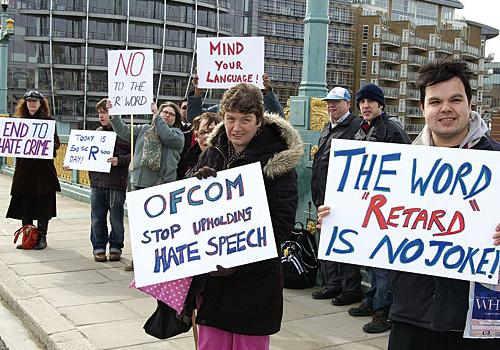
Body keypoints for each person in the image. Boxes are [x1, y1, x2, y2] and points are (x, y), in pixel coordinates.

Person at [386, 58, 500, 349]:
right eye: (435, 101)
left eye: (455, 99)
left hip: (478, 320)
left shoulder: (497, 162)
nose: (445, 108)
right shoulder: (399, 168)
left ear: (470, 104)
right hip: (412, 314)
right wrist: (342, 217)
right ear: (423, 108)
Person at [192, 83, 303, 349]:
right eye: (230, 119)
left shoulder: (278, 163)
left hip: (254, 282)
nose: (236, 128)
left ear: (259, 121)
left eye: (245, 120)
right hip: (213, 282)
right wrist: (195, 183)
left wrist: (238, 263)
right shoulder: (212, 152)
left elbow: (281, 224)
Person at [347, 83, 411, 334]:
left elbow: (406, 163)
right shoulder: (361, 130)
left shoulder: (391, 129)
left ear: (381, 105)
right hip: (368, 204)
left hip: (386, 206)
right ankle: (372, 299)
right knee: (370, 257)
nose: (365, 106)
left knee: (383, 262)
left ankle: (383, 311)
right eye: (362, 102)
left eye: (370, 102)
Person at [108, 101, 184, 270]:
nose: (166, 115)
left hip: (160, 186)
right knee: (139, 226)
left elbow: (165, 134)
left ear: (176, 119)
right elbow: (123, 132)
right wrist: (114, 114)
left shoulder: (177, 135)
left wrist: (156, 116)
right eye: (164, 112)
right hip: (139, 183)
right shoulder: (143, 129)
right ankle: (139, 261)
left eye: (171, 114)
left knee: (158, 229)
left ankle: (156, 261)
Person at [310, 87, 363, 306]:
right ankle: (332, 284)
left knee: (345, 242)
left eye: (336, 102)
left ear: (348, 104)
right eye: (329, 102)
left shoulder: (356, 127)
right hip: (324, 194)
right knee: (328, 241)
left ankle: (351, 288)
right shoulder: (327, 127)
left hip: (344, 197)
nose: (331, 106)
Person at [6, 90, 61, 250]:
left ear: (40, 103)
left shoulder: (48, 121)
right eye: (29, 101)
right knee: (25, 204)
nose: (32, 104)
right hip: (24, 172)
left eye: (35, 101)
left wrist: (49, 146)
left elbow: (56, 144)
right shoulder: (18, 122)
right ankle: (28, 237)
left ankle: (42, 238)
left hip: (44, 172)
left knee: (44, 205)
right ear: (25, 103)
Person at [89, 99, 131, 262]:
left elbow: (134, 155)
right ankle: (98, 247)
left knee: (116, 218)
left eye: (105, 112)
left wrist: (119, 160)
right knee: (97, 218)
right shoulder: (97, 132)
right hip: (97, 182)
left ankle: (115, 247)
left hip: (116, 183)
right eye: (99, 112)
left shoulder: (125, 133)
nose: (101, 115)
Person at [187, 73, 285, 121]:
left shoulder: (258, 109)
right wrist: (197, 92)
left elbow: (278, 119)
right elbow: (196, 118)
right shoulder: (220, 109)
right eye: (230, 119)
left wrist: (267, 91)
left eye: (246, 120)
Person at [176, 112, 221, 179]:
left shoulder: (229, 158)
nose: (206, 136)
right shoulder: (189, 160)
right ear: (196, 136)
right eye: (202, 133)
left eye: (212, 131)